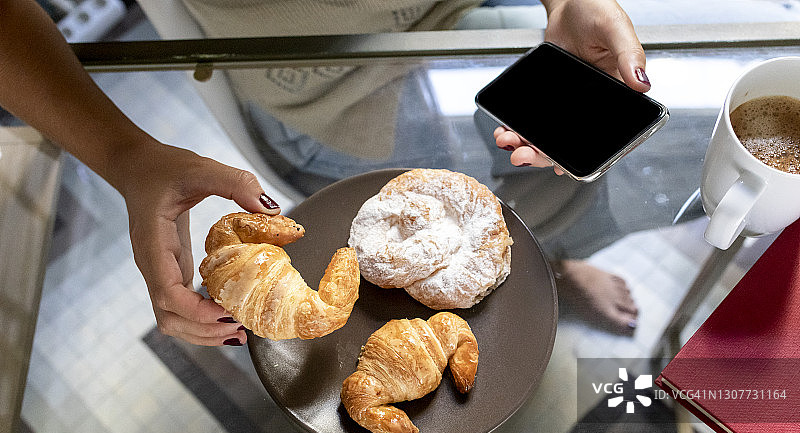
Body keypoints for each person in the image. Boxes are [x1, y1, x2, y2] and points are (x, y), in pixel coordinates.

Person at [0, 0, 647, 345]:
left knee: (593, 153)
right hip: (338, 86)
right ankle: (550, 260)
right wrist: (124, 155)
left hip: (485, 10)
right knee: (533, 188)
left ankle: (552, 260)